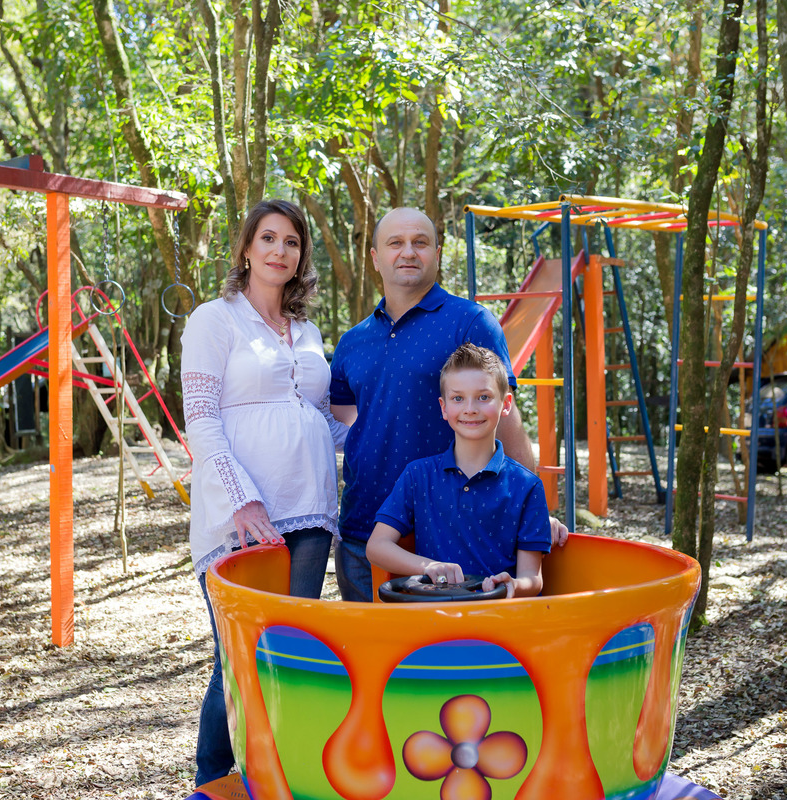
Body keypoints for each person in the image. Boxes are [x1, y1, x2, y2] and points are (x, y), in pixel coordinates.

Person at [180, 198, 346, 786]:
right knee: (239, 654)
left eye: (292, 242)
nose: (280, 250)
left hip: (311, 510)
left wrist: (375, 439)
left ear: (301, 257)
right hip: (241, 513)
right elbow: (200, 417)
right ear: (247, 248)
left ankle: (278, 778)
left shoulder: (309, 332)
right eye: (269, 238)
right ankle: (212, 780)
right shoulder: (214, 319)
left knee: (290, 654)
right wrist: (242, 497)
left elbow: (318, 417)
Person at [329, 207, 567, 602]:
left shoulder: (471, 321)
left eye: (420, 243)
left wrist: (532, 505)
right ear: (375, 257)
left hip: (449, 538)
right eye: (395, 243)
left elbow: (505, 417)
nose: (408, 252)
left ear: (437, 254)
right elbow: (347, 415)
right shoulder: (353, 341)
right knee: (366, 643)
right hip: (363, 533)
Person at [366, 344, 551, 598]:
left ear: (506, 403)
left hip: (498, 615)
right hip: (435, 614)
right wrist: (428, 566)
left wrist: (512, 585)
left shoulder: (527, 485)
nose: (470, 409)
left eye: (483, 397)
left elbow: (532, 578)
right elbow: (377, 546)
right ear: (443, 407)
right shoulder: (417, 476)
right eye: (458, 398)